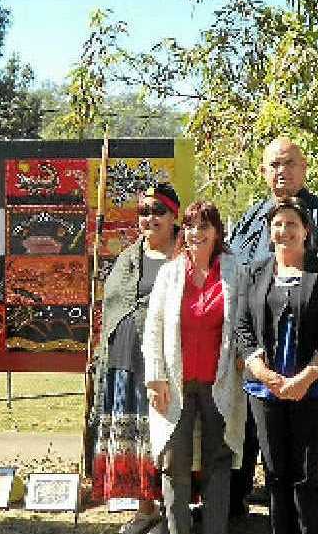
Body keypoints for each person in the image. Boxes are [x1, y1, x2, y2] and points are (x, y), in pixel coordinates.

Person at [226, 136, 318, 518]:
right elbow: (237, 279)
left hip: (305, 365)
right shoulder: (251, 219)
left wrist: (307, 372)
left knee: (302, 466)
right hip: (256, 362)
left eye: (289, 163)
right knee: (257, 451)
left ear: (304, 167)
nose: (281, 170)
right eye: (273, 164)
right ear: (263, 171)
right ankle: (238, 509)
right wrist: (249, 355)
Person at [142, 200, 245, 534]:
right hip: (175, 382)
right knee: (174, 463)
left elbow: (244, 323)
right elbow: (154, 327)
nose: (195, 233)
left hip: (221, 382)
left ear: (217, 231)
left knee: (218, 462)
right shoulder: (171, 273)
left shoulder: (233, 270)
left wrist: (246, 357)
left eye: (204, 226)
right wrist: (156, 376)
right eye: (189, 226)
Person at [90, 183, 180, 534]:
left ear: (174, 216)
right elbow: (116, 306)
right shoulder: (128, 258)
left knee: (168, 437)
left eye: (158, 211)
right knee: (137, 439)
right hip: (126, 364)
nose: (150, 217)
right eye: (144, 211)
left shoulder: (185, 256)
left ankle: (173, 511)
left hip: (167, 366)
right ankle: (145, 509)